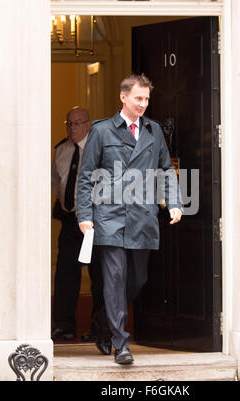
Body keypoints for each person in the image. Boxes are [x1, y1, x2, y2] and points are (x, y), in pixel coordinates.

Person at [77, 74, 183, 365]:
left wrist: (173, 202)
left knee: (137, 279)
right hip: (109, 217)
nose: (143, 104)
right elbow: (86, 176)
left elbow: (165, 170)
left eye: (147, 99)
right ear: (123, 97)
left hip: (143, 217)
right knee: (114, 278)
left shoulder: (154, 131)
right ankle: (120, 343)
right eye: (138, 98)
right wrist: (85, 215)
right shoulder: (101, 131)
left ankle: (102, 319)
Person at [51, 106, 111, 355]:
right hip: (71, 221)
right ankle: (63, 326)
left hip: (96, 222)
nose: (72, 127)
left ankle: (100, 328)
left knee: (99, 275)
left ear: (88, 125)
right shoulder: (60, 150)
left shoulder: (100, 151)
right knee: (65, 273)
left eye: (77, 123)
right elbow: (57, 183)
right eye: (69, 123)